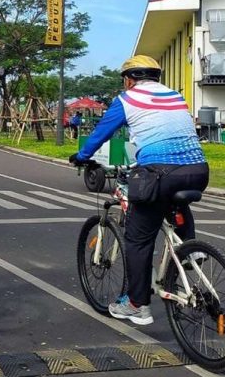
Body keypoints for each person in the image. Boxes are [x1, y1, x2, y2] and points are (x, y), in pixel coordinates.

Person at [69, 55, 208, 326]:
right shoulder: (176, 97)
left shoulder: (127, 99)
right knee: (174, 204)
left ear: (128, 79)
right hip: (198, 170)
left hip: (158, 173)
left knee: (138, 239)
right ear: (157, 77)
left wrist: (83, 155)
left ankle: (136, 304)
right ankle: (191, 250)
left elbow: (102, 132)